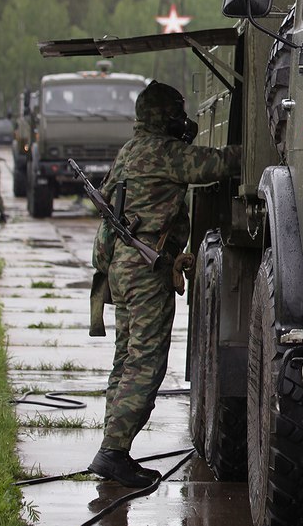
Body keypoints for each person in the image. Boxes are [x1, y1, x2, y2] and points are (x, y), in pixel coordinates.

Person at [87, 81, 241, 488]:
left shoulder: (130, 151)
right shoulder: (164, 153)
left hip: (122, 268)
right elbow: (218, 164)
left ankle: (113, 447)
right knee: (144, 362)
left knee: (125, 359)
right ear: (164, 116)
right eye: (177, 112)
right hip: (144, 268)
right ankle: (113, 453)